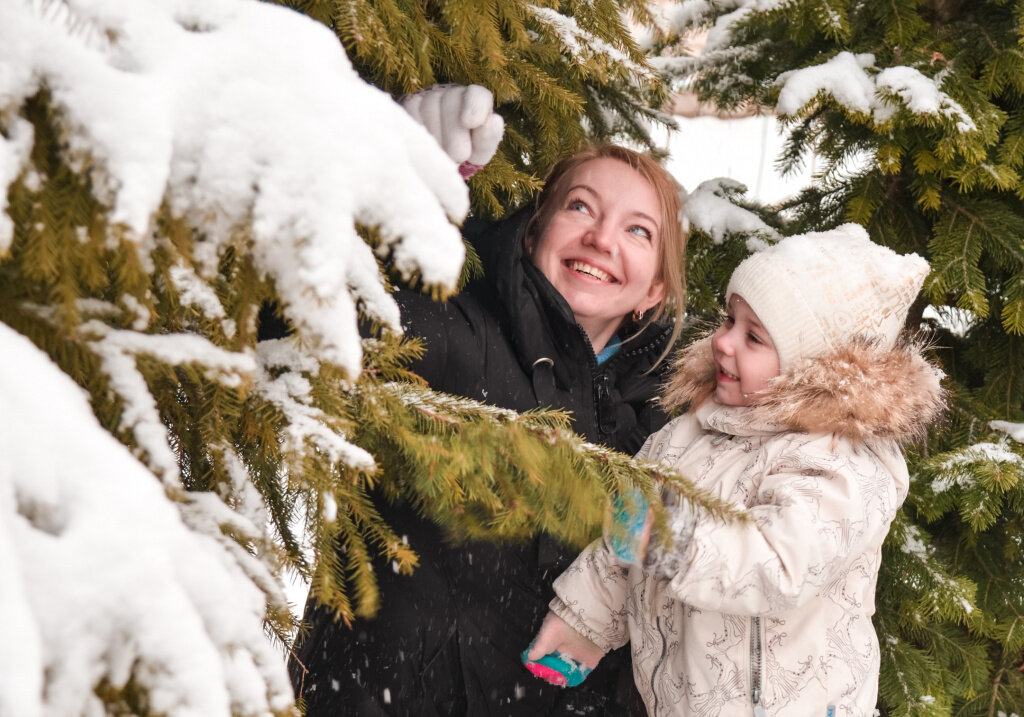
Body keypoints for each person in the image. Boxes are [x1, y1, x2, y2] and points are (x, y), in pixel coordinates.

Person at [289, 143, 688, 716]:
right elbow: (314, 312)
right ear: (534, 233)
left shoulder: (660, 439)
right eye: (581, 207)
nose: (602, 240)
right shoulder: (458, 337)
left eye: (638, 231)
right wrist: (403, 178)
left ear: (654, 292)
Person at [525, 224, 946, 715]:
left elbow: (779, 564)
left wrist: (670, 541)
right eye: (729, 321)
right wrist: (582, 625)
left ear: (811, 368)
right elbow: (624, 545)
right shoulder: (687, 434)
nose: (724, 343)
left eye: (753, 337)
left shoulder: (841, 463)